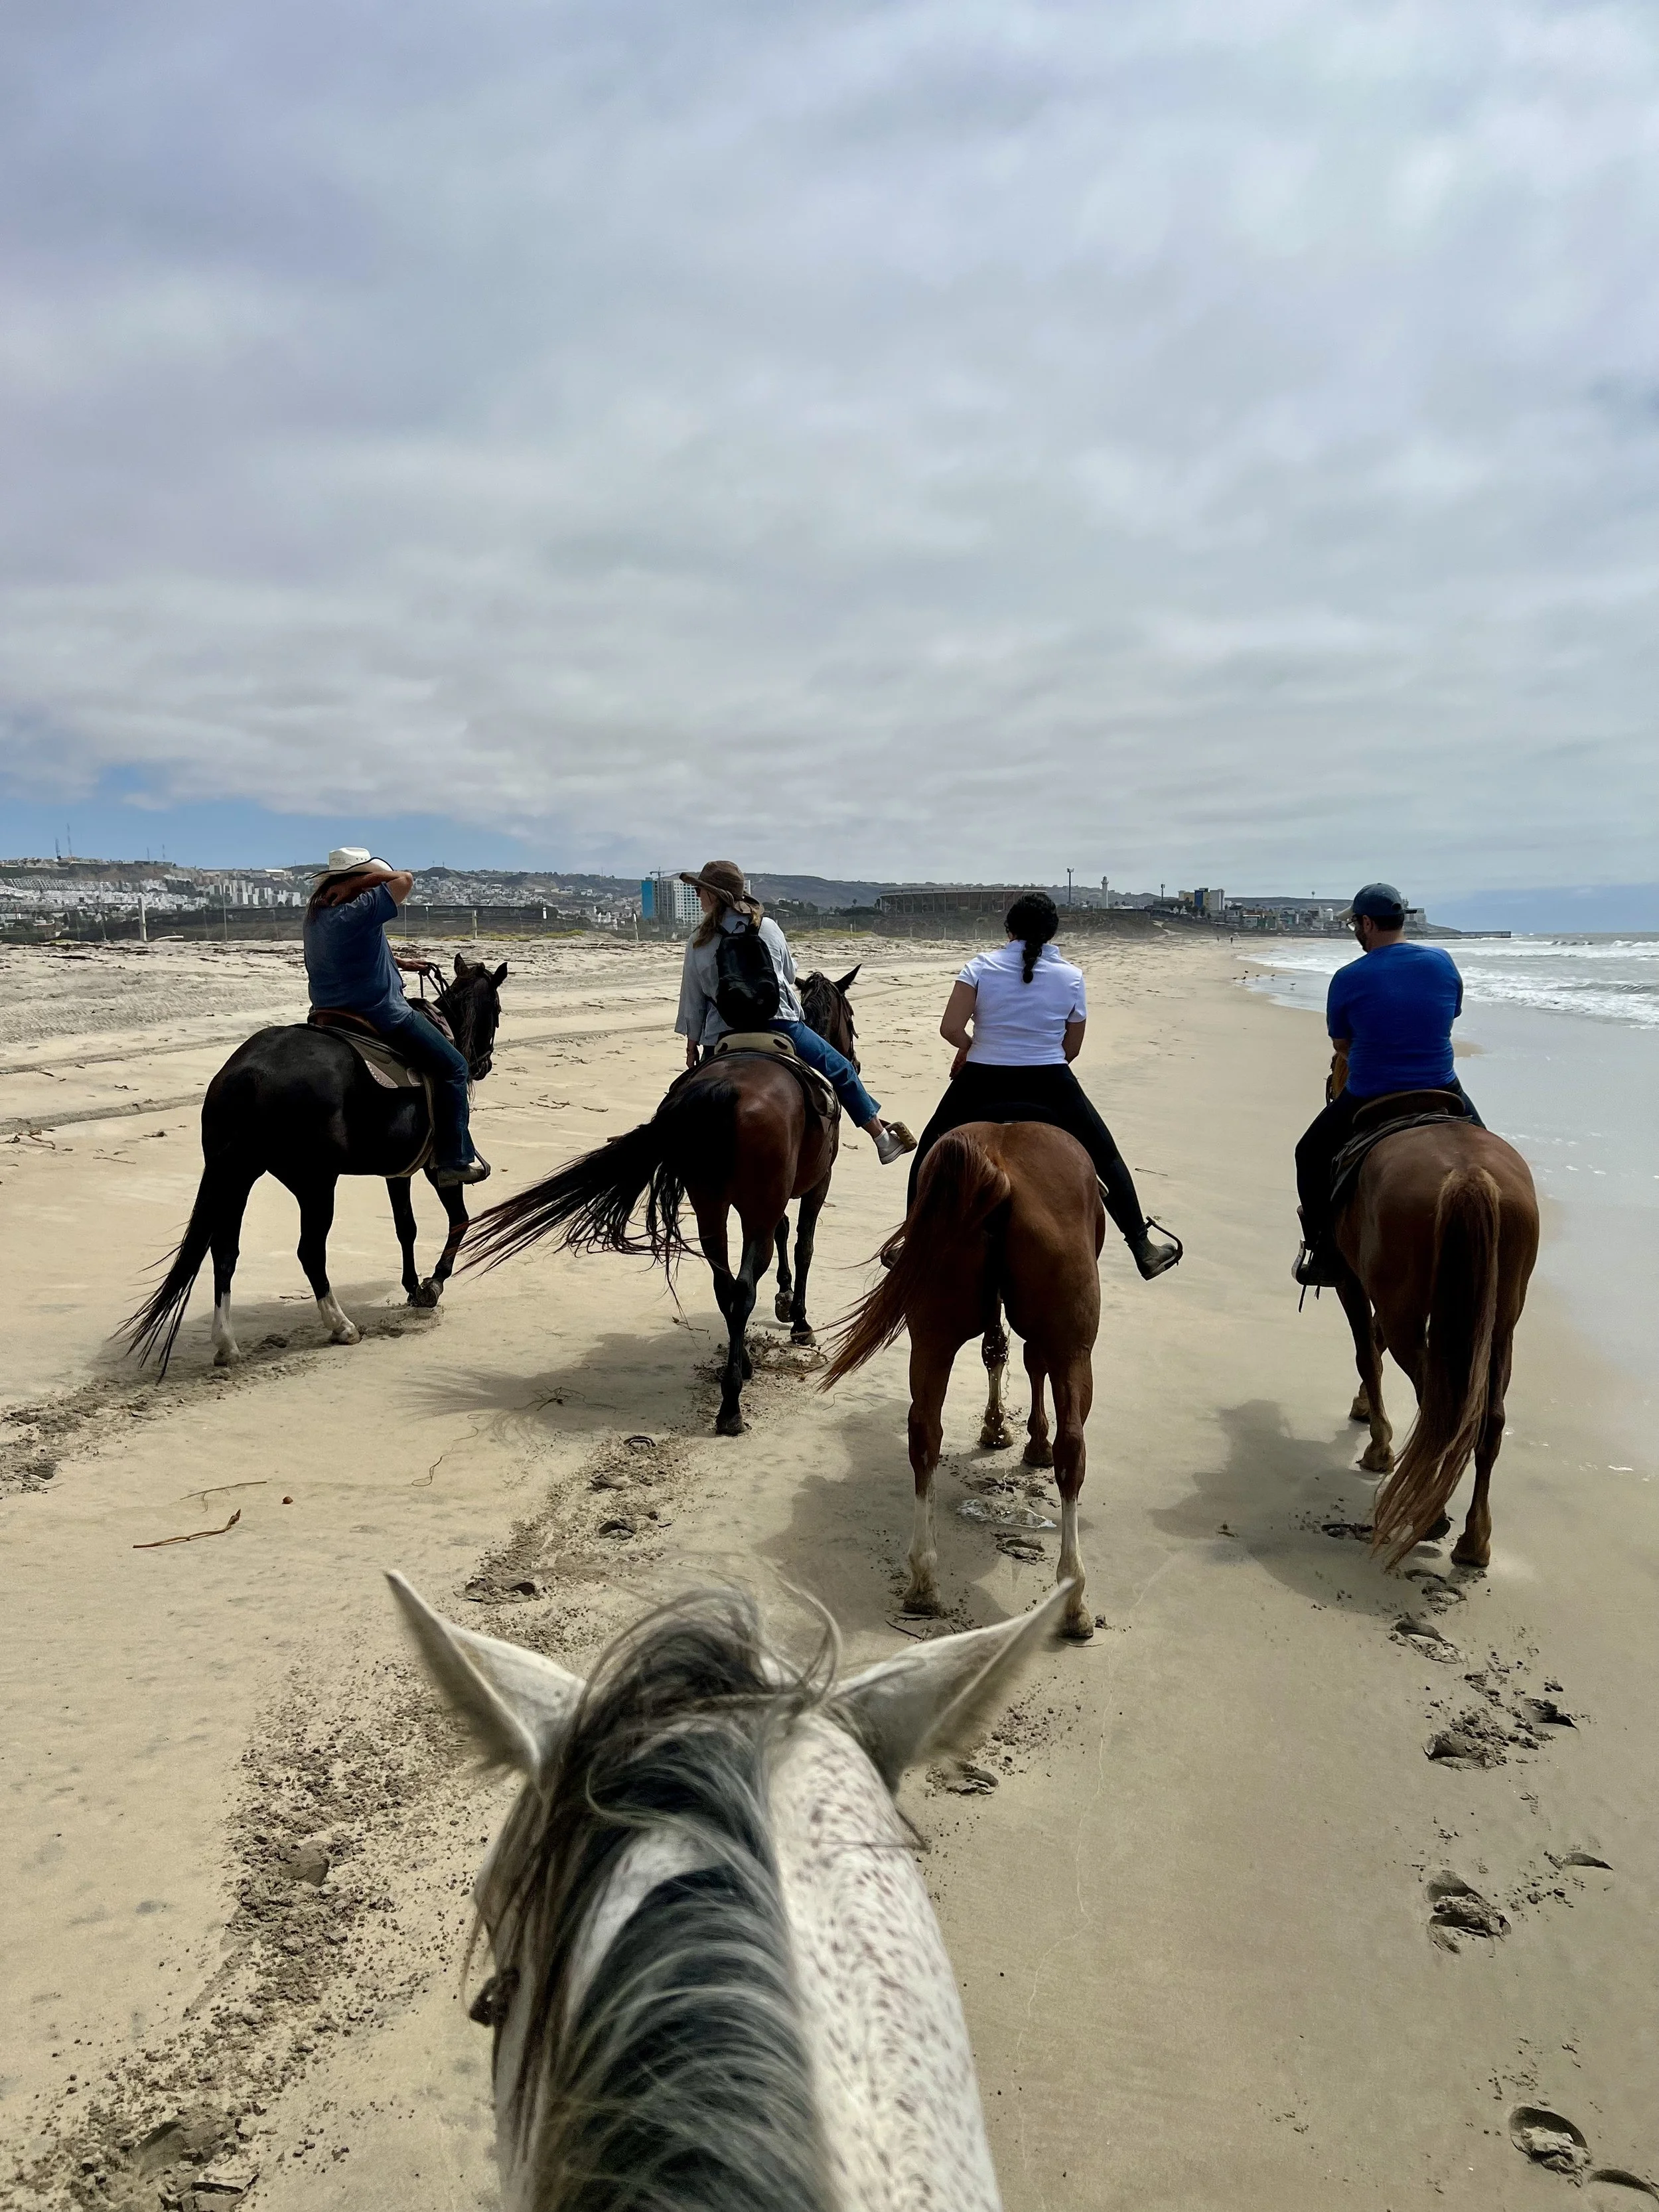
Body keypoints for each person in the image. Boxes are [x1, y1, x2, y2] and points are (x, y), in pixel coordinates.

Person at [907, 891, 1181, 1281]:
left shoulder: (980, 967)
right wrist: (1038, 1060)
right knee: (1106, 1155)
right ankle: (1142, 1245)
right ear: (1053, 933)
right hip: (1050, 1082)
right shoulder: (1071, 977)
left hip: (982, 1078)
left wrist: (973, 1048)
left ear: (1008, 929)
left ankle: (909, 1242)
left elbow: (950, 1028)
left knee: (931, 1149)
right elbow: (1072, 1047)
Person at [1291, 881, 1482, 1288]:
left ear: (1365, 923)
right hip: (1444, 1087)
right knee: (1484, 1150)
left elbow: (1342, 1044)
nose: (1355, 934)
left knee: (1308, 1154)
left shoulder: (1348, 977)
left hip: (1370, 1091)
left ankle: (1323, 1249)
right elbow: (1450, 1016)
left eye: (1355, 926)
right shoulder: (1443, 962)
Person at [672, 860, 914, 1165]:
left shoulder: (699, 941)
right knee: (842, 1070)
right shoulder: (768, 927)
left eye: (700, 889)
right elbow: (788, 974)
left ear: (715, 895)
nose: (697, 894)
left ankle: (660, 1149)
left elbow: (693, 999)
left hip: (722, 1032)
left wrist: (693, 1043)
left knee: (681, 1098)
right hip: (780, 1025)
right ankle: (882, 1139)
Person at [303, 846, 490, 1187]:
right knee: (455, 1068)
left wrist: (401, 963)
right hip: (378, 1011)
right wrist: (368, 880)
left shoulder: (318, 913)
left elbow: (353, 948)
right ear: (358, 880)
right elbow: (405, 880)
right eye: (367, 879)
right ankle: (454, 1160)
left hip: (326, 1010)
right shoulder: (359, 905)